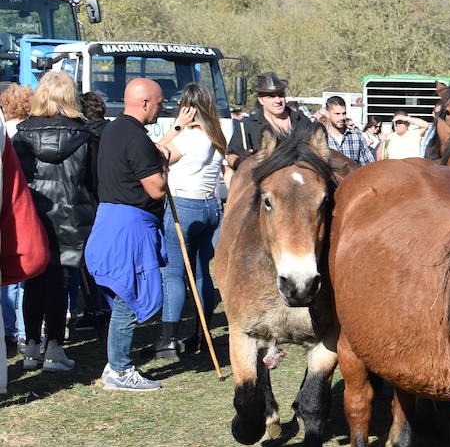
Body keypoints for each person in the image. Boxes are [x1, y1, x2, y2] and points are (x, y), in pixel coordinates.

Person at [85, 78, 169, 391]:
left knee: (123, 294)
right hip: (129, 225)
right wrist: (166, 166)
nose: (162, 108)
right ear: (145, 103)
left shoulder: (112, 130)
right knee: (128, 296)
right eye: (159, 103)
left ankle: (115, 365)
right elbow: (156, 189)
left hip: (109, 218)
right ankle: (119, 370)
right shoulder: (137, 138)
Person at [11, 72, 98, 373]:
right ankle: (55, 348)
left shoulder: (21, 134)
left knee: (33, 281)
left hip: (33, 215)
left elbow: (16, 180)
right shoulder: (85, 134)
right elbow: (92, 181)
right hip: (71, 216)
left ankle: (32, 346)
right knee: (60, 284)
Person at [153, 83, 227, 359]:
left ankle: (167, 339)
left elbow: (155, 153)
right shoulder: (215, 133)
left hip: (183, 204)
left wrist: (176, 127)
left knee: (173, 273)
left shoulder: (187, 137)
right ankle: (202, 330)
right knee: (200, 272)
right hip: (210, 206)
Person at [1, 83, 33, 352]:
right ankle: (22, 329)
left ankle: (11, 328)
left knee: (8, 276)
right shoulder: (27, 133)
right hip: (25, 201)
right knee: (22, 275)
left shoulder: (6, 130)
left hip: (7, 203)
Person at [225, 72, 310, 170]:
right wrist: (240, 161)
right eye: (271, 97)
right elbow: (231, 156)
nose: (278, 100)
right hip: (264, 181)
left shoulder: (302, 120)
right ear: (261, 100)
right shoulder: (247, 126)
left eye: (280, 95)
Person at [320, 96, 375, 166]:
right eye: (337, 114)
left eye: (344, 113)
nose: (342, 117)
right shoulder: (321, 138)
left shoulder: (357, 137)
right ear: (327, 114)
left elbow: (369, 166)